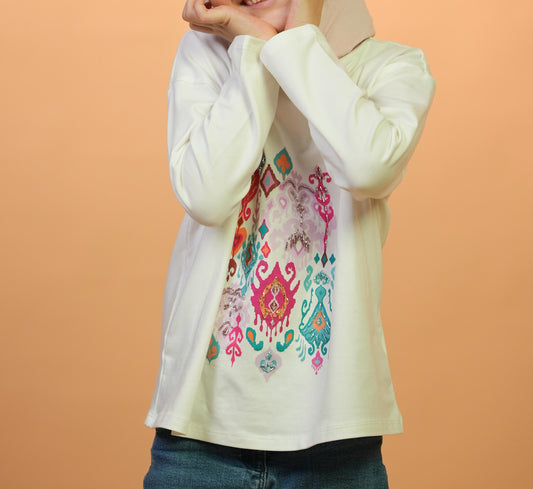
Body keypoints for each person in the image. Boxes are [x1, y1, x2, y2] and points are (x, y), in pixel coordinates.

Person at [143, 0, 436, 487]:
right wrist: (253, 47)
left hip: (337, 434)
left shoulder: (392, 67)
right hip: (200, 431)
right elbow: (206, 196)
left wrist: (296, 42)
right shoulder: (208, 54)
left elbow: (367, 168)